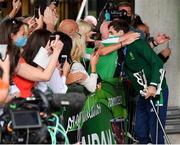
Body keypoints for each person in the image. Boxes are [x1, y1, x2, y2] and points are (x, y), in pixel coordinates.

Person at [107, 19, 168, 144]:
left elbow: (157, 63)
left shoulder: (137, 43)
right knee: (140, 131)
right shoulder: (119, 48)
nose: (109, 36)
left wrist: (153, 85)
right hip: (142, 93)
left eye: (111, 32)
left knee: (156, 132)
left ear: (121, 32)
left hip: (156, 91)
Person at [12, 29, 63, 98]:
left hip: (25, 102)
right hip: (17, 104)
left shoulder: (19, 59)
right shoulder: (12, 60)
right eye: (23, 35)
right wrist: (56, 51)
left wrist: (46, 51)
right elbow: (45, 76)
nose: (26, 37)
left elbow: (38, 75)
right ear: (12, 36)